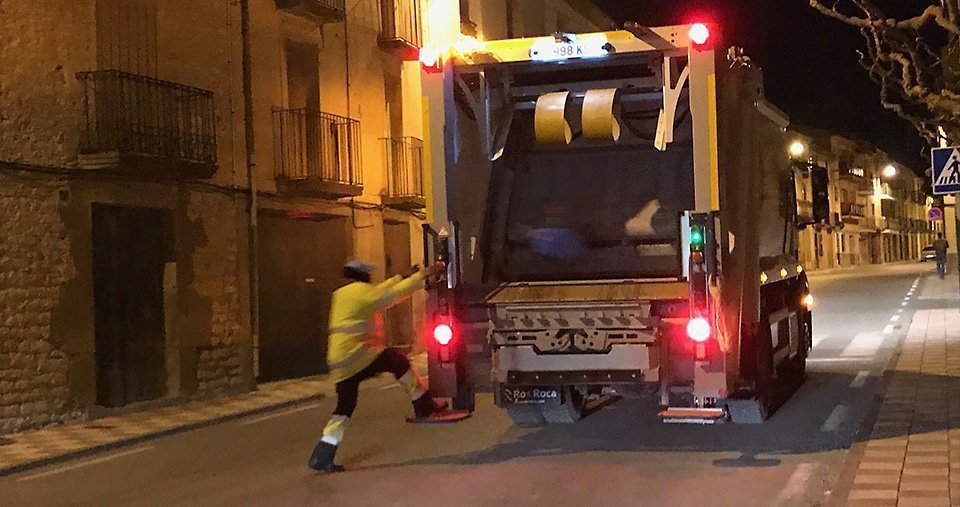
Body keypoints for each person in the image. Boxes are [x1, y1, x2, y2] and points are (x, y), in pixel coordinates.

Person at [308, 260, 449, 473]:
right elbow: (394, 295)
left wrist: (401, 276)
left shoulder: (343, 294)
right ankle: (424, 406)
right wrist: (422, 277)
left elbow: (381, 290)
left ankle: (323, 453)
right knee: (397, 361)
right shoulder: (364, 293)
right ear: (364, 276)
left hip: (339, 360)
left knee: (344, 408)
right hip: (356, 354)